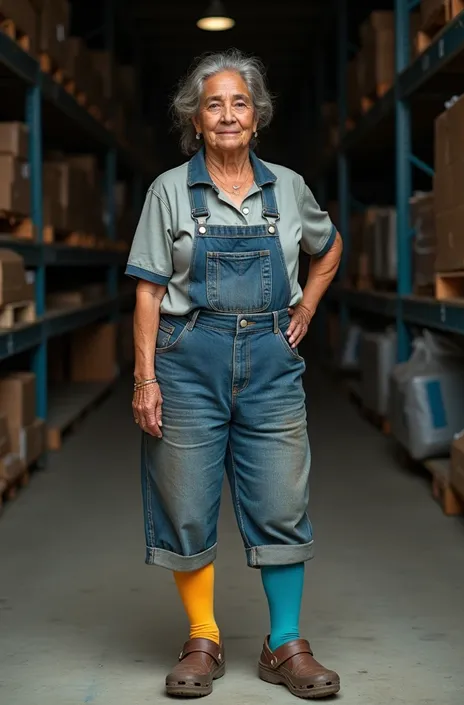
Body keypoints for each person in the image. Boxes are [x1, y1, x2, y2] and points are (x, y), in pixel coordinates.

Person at [126, 49, 342, 700]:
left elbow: (327, 249)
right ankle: (203, 638)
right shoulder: (168, 190)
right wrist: (145, 378)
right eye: (213, 103)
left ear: (257, 118)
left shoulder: (289, 188)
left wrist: (306, 304)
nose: (227, 114)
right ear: (195, 119)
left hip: (272, 361)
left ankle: (285, 643)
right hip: (188, 357)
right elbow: (145, 292)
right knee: (186, 500)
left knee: (281, 495)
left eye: (239, 102)